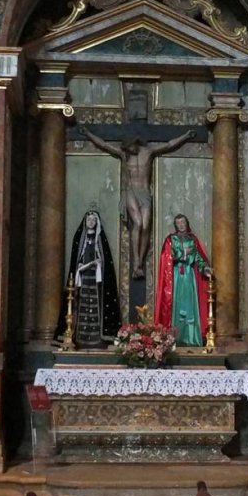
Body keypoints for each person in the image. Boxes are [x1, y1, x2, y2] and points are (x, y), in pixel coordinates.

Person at [79, 126, 195, 278]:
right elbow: (104, 145)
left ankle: (140, 260)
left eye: (131, 147)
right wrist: (88, 134)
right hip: (131, 192)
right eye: (127, 148)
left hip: (144, 193)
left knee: (146, 226)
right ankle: (136, 263)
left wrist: (185, 136)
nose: (129, 150)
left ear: (136, 143)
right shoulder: (124, 154)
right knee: (138, 223)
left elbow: (169, 145)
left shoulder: (148, 152)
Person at [59, 210, 121, 349]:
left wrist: (98, 263)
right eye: (89, 220)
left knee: (96, 306)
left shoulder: (100, 239)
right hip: (83, 278)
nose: (91, 222)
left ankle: (98, 339)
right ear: (85, 222)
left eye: (94, 220)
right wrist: (81, 266)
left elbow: (104, 259)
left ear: (97, 222)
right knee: (80, 304)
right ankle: (78, 338)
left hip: (96, 280)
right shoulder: (79, 238)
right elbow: (77, 258)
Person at [155, 214, 212, 346]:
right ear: (175, 225)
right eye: (178, 223)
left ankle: (191, 338)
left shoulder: (192, 239)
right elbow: (167, 257)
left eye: (183, 222)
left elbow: (198, 258)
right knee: (176, 303)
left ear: (187, 223)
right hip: (175, 277)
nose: (181, 225)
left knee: (190, 305)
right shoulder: (171, 239)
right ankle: (174, 338)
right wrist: (183, 254)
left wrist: (205, 268)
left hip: (189, 275)